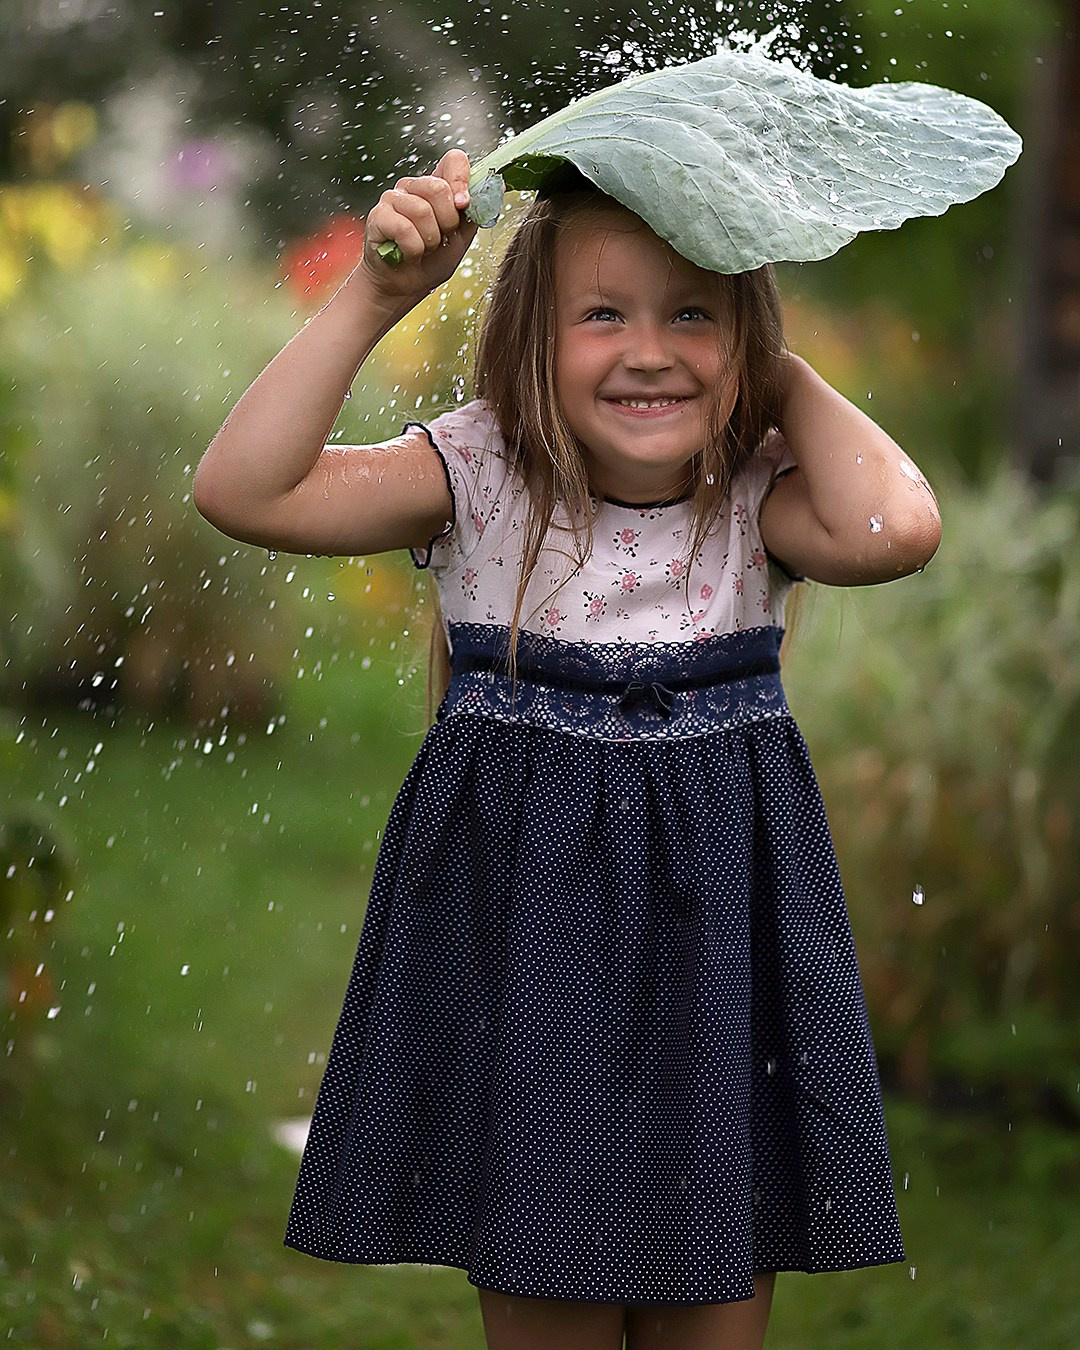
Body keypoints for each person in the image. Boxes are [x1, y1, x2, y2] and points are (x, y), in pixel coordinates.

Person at [194, 147, 941, 1350]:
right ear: (531, 340)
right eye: (603, 316)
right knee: (552, 1297)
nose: (651, 350)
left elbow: (898, 525)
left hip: (722, 960)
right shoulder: (480, 477)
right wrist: (377, 299)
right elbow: (244, 490)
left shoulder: (754, 494)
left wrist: (775, 368)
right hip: (532, 946)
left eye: (692, 314)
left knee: (716, 1297)